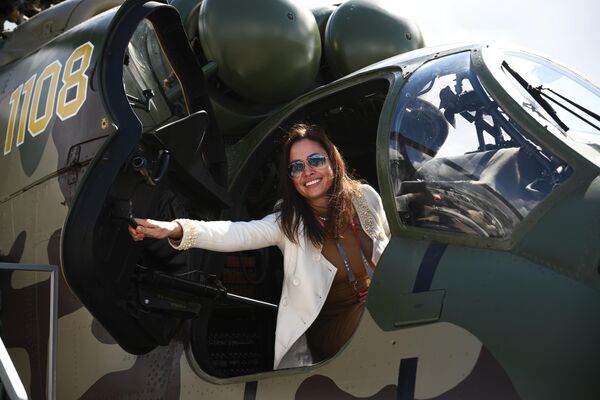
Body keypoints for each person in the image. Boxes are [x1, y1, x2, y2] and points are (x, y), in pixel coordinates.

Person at [129, 123, 390, 369]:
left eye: (316, 161)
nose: (307, 171)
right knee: (382, 312)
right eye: (296, 167)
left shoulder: (365, 197)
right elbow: (237, 233)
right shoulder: (287, 222)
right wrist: (177, 228)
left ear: (333, 161)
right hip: (337, 324)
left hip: (378, 299)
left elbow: (390, 250)